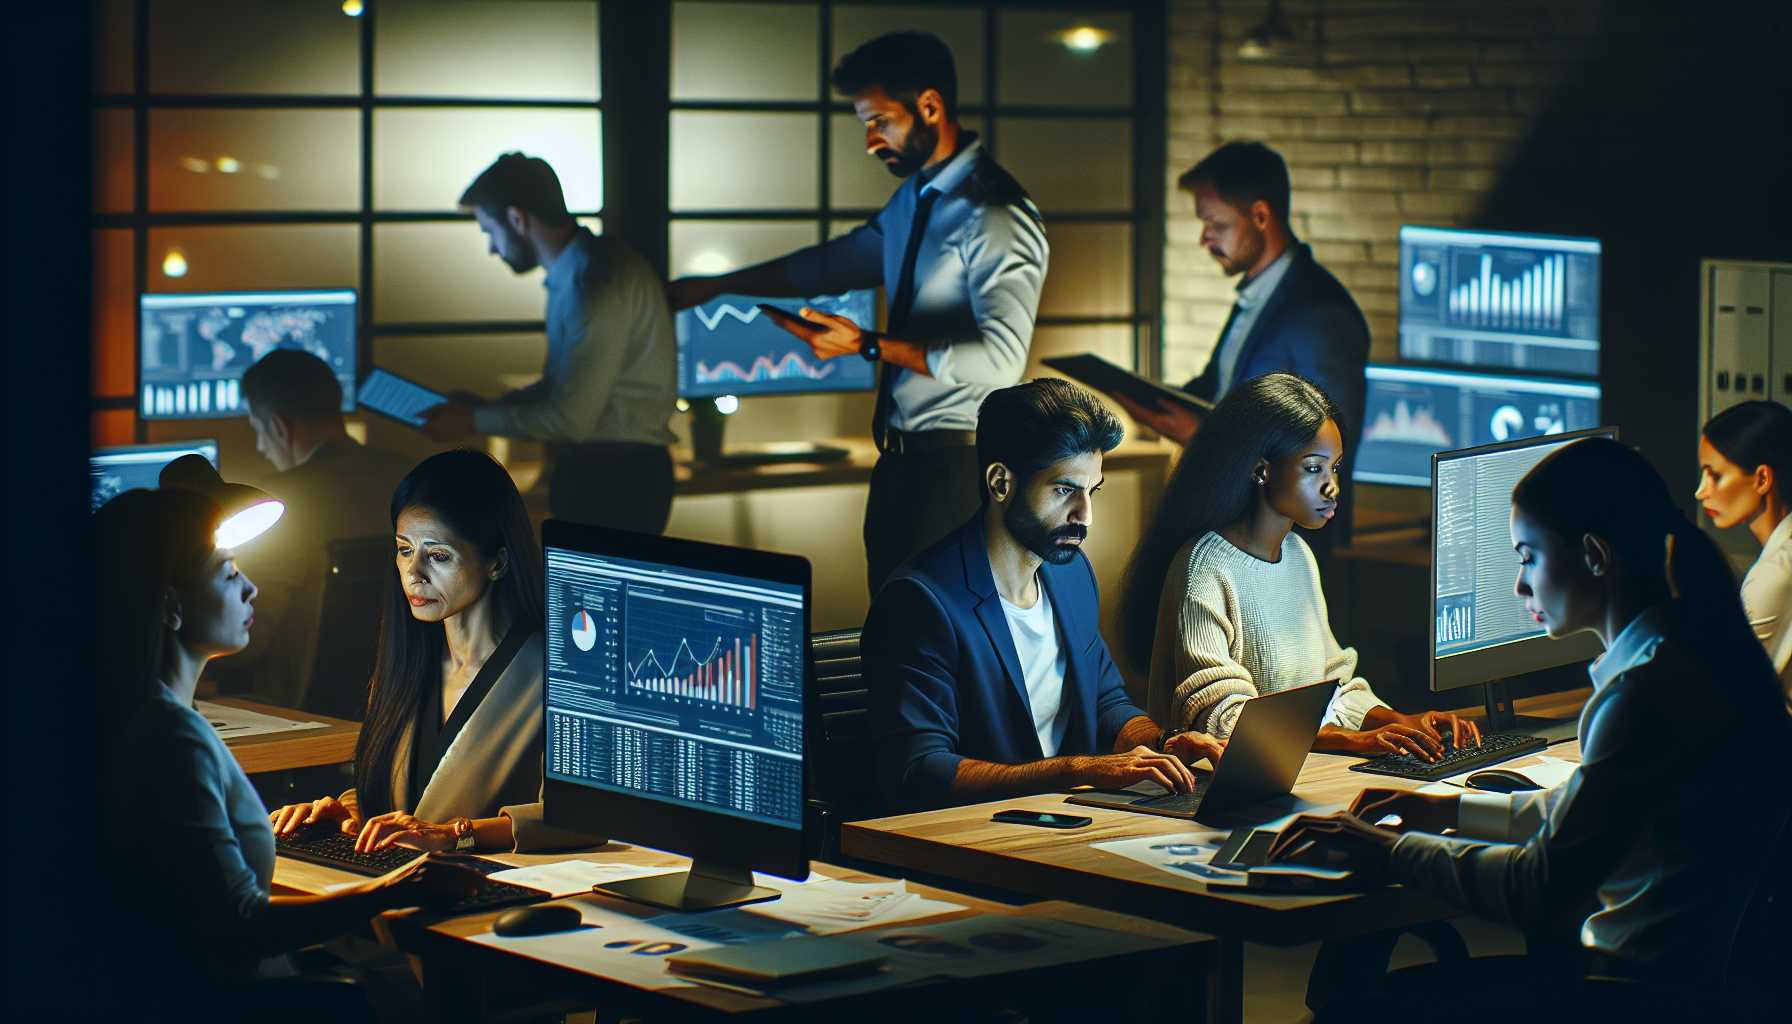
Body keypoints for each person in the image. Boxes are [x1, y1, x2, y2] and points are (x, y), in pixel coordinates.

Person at [1267, 437, 1791, 1020]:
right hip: (1674, 990)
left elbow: (1538, 884)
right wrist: (1446, 811)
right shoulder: (1691, 657)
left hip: (1624, 998)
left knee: (1351, 1006)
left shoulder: (1645, 694)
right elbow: (1581, 816)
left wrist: (1390, 851)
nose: (1519, 586)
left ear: (1594, 555)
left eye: (1528, 556)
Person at [665, 31, 1049, 594]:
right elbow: (832, 266)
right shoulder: (916, 200)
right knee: (893, 636)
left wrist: (867, 345)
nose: (871, 141)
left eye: (880, 122)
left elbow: (1001, 360)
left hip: (956, 467)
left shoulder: (994, 212)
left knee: (937, 650)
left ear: (930, 106)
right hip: (899, 466)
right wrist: (720, 287)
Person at [95, 487, 477, 1019]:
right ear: (171, 606)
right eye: (229, 574)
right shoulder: (170, 738)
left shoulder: (142, 714)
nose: (251, 588)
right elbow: (239, 924)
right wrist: (395, 887)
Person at [864, 378, 1224, 813]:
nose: (1084, 515)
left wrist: (1161, 742)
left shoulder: (1071, 575)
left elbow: (1105, 701)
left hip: (1069, 817)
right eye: (1064, 490)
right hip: (976, 837)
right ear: (1001, 483)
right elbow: (920, 769)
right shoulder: (919, 603)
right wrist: (1075, 770)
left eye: (1092, 491)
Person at [1120, 372, 1479, 759]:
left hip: (1298, 774)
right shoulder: (1205, 567)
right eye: (1314, 469)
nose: (1332, 487)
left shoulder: (1297, 555)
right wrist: (1351, 741)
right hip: (1215, 795)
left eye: (1335, 468)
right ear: (1261, 470)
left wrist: (1399, 720)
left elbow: (1331, 685)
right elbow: (1224, 722)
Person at [269, 450, 593, 854]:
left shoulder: (560, 672)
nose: (413, 574)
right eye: (405, 550)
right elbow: (402, 803)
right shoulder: (408, 662)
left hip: (498, 889)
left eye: (438, 556)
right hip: (397, 882)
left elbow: (578, 818)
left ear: (497, 562)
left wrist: (453, 834)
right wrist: (348, 812)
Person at [1115, 141, 1368, 554]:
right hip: (1235, 525)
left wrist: (1201, 435)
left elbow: (1326, 444)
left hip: (1287, 545)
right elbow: (1219, 388)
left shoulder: (1320, 312)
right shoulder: (1256, 296)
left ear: (1261, 216)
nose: (1205, 238)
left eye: (1215, 223)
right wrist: (1151, 402)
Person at [420, 152, 677, 535]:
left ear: (516, 219)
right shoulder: (583, 271)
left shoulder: (593, 285)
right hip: (612, 472)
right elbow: (565, 387)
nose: (491, 248)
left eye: (489, 232)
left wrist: (471, 421)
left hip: (617, 481)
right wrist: (489, 407)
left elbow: (569, 418)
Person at [217, 348, 415, 711]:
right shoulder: (411, 480)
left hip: (299, 720)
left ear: (278, 427)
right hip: (402, 710)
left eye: (258, 431)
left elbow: (248, 642)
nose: (261, 447)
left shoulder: (277, 504)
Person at [1695, 400, 1792, 704]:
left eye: (1715, 475)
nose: (1700, 491)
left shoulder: (1774, 574)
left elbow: (1721, 691)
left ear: (1762, 479)